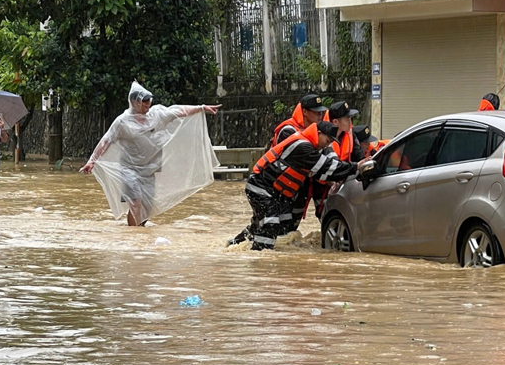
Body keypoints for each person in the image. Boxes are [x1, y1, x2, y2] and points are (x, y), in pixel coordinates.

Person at [79, 81, 221, 226]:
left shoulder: (156, 115)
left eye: (149, 100)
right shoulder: (122, 122)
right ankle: (134, 237)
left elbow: (180, 111)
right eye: (144, 101)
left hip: (150, 169)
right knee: (135, 203)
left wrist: (201, 108)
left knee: (146, 207)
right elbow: (106, 140)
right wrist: (92, 160)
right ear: (134, 102)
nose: (147, 104)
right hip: (129, 169)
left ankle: (140, 235)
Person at [229, 121, 356, 250]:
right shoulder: (302, 146)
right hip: (260, 187)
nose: (327, 145)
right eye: (327, 141)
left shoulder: (309, 145)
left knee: (262, 224)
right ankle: (261, 258)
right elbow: (326, 166)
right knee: (270, 223)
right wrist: (357, 168)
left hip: (271, 190)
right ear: (318, 133)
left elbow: (321, 170)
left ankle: (234, 246)